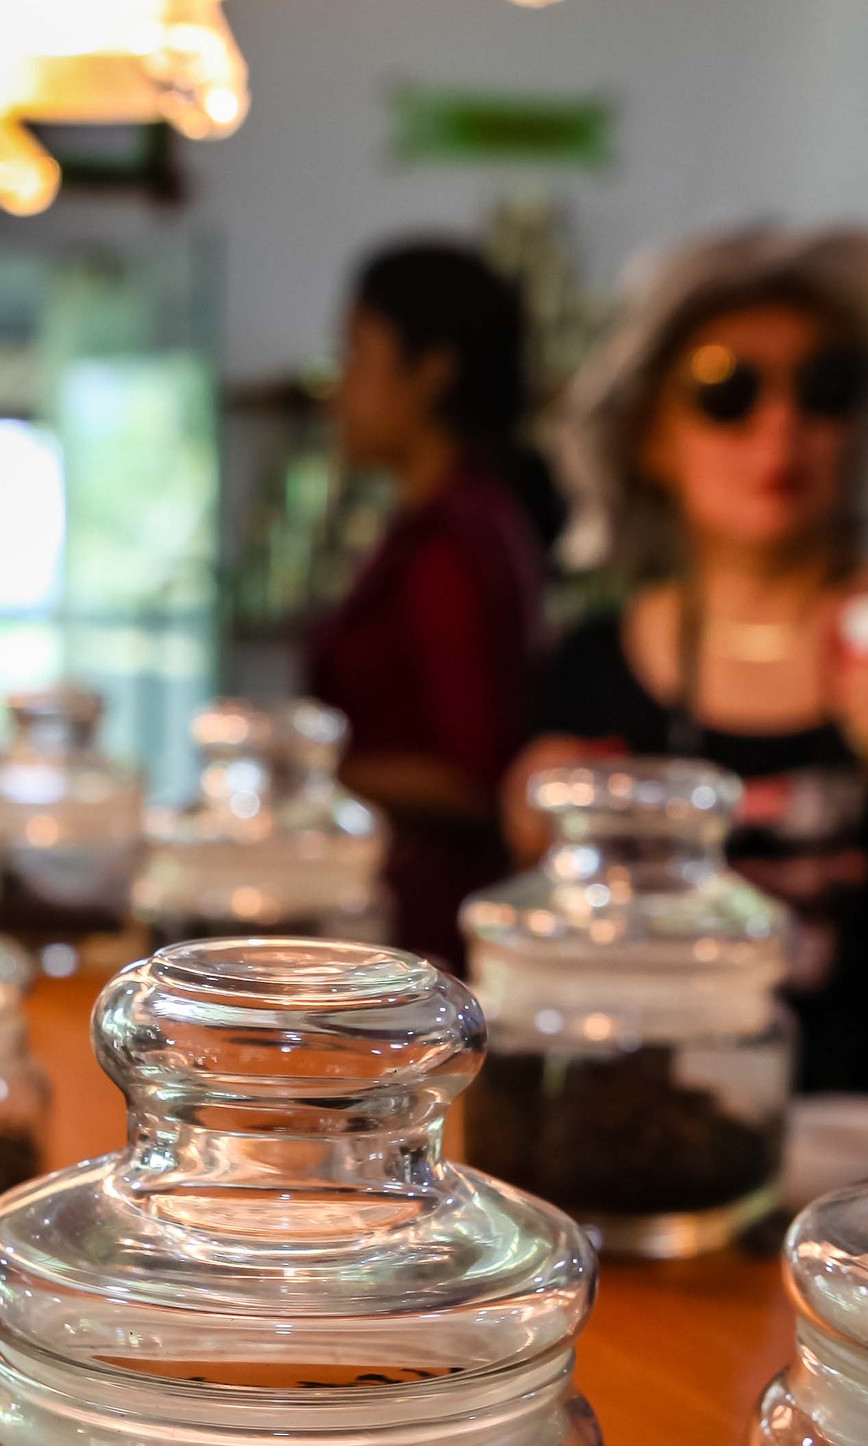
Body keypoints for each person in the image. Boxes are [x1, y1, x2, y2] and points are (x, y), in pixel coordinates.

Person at [513, 228, 868, 1098]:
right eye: (727, 392)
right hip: (665, 1129)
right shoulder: (591, 665)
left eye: (826, 389)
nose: (781, 426)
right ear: (651, 436)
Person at [299, 241, 553, 963]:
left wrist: (304, 776)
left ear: (432, 371)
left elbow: (474, 776)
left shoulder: (453, 540)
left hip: (426, 935)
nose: (339, 389)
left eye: (355, 355)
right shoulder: (437, 524)